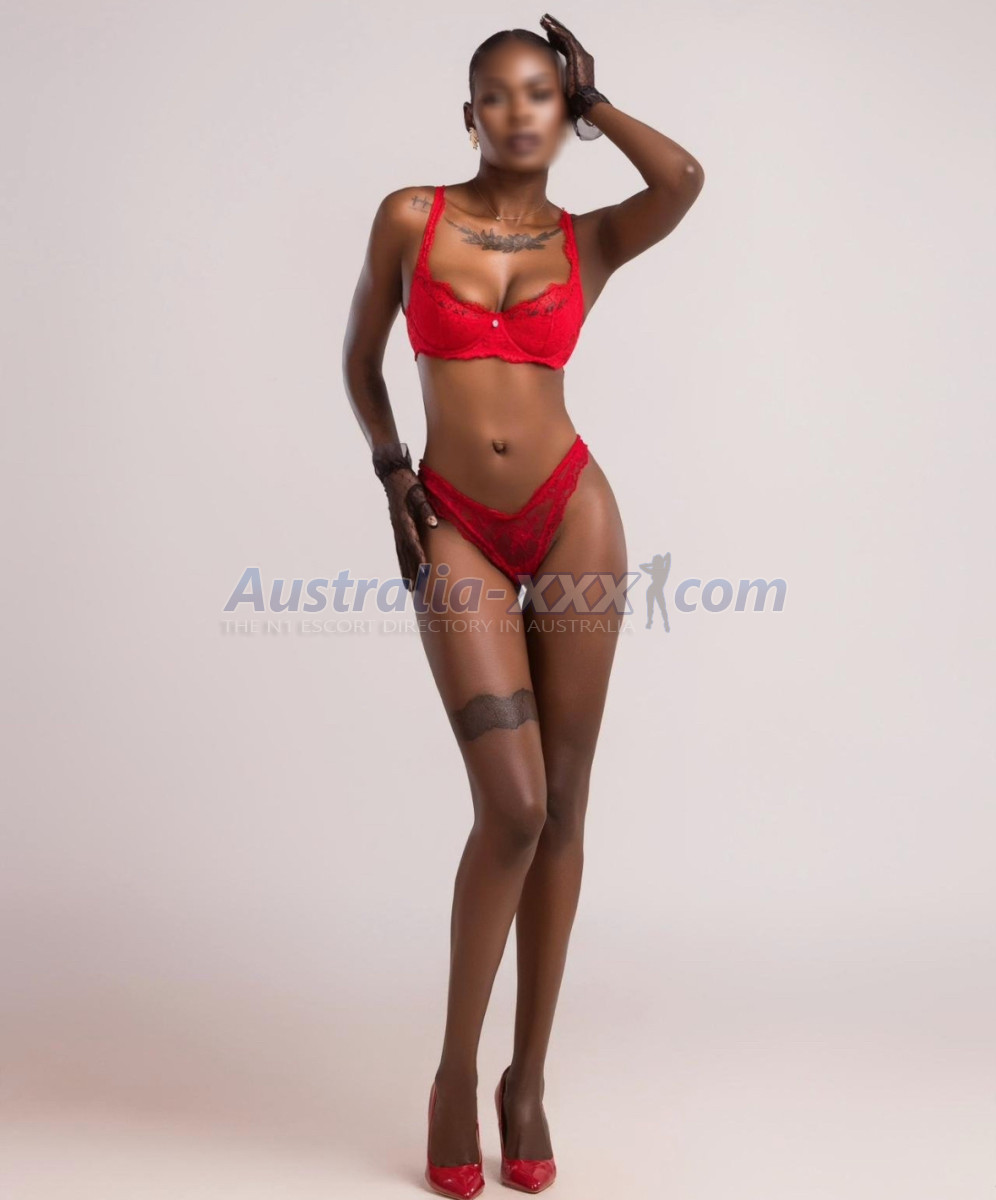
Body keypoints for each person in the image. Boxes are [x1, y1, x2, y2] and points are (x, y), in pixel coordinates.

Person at [342, 15, 704, 1196]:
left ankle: (527, 1078)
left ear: (564, 112)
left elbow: (685, 179)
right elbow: (359, 359)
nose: (518, 112)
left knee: (566, 804)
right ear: (469, 116)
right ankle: (455, 1072)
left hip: (571, 513)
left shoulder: (588, 240)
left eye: (542, 94)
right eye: (495, 95)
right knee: (512, 803)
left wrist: (604, 107)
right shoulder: (413, 218)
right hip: (454, 522)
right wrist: (393, 475)